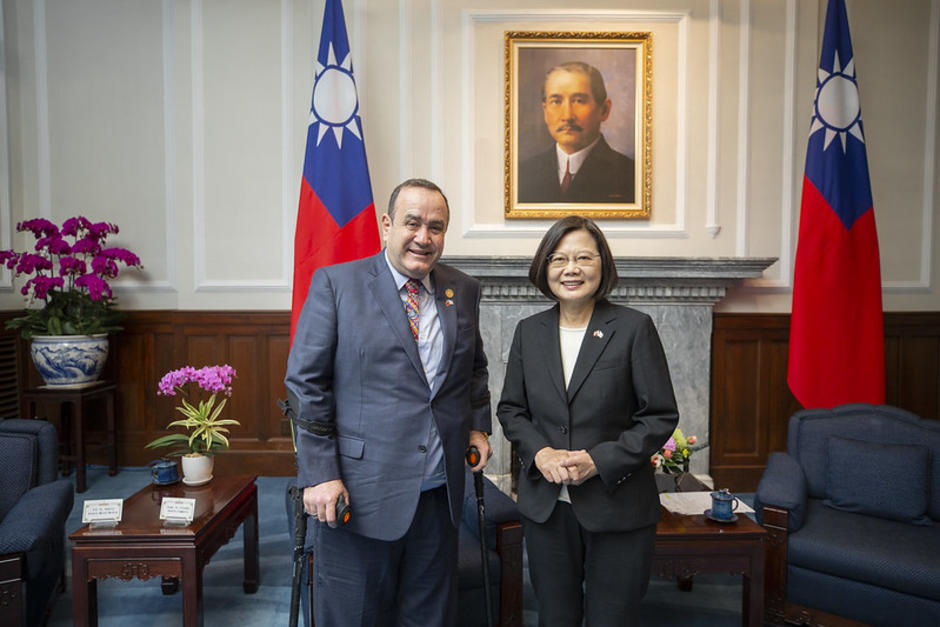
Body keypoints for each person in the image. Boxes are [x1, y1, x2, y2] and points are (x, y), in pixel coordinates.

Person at [285, 178, 493, 626]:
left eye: (436, 227)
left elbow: (473, 368)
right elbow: (306, 383)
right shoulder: (337, 285)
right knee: (355, 617)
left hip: (438, 496)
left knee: (429, 618)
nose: (424, 237)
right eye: (412, 223)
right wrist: (321, 474)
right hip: (359, 495)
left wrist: (477, 426)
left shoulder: (464, 289)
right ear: (387, 224)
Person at [497, 216, 678, 626]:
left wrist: (599, 460)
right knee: (555, 617)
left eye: (582, 257)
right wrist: (539, 452)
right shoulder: (529, 331)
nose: (571, 268)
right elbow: (511, 409)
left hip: (619, 507)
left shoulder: (634, 328)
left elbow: (659, 415)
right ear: (544, 269)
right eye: (558, 259)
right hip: (547, 509)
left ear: (602, 264)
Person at [518, 61, 636, 204]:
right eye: (556, 101)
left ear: (604, 110)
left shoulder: (629, 175)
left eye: (579, 101)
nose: (567, 116)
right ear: (545, 111)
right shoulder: (524, 173)